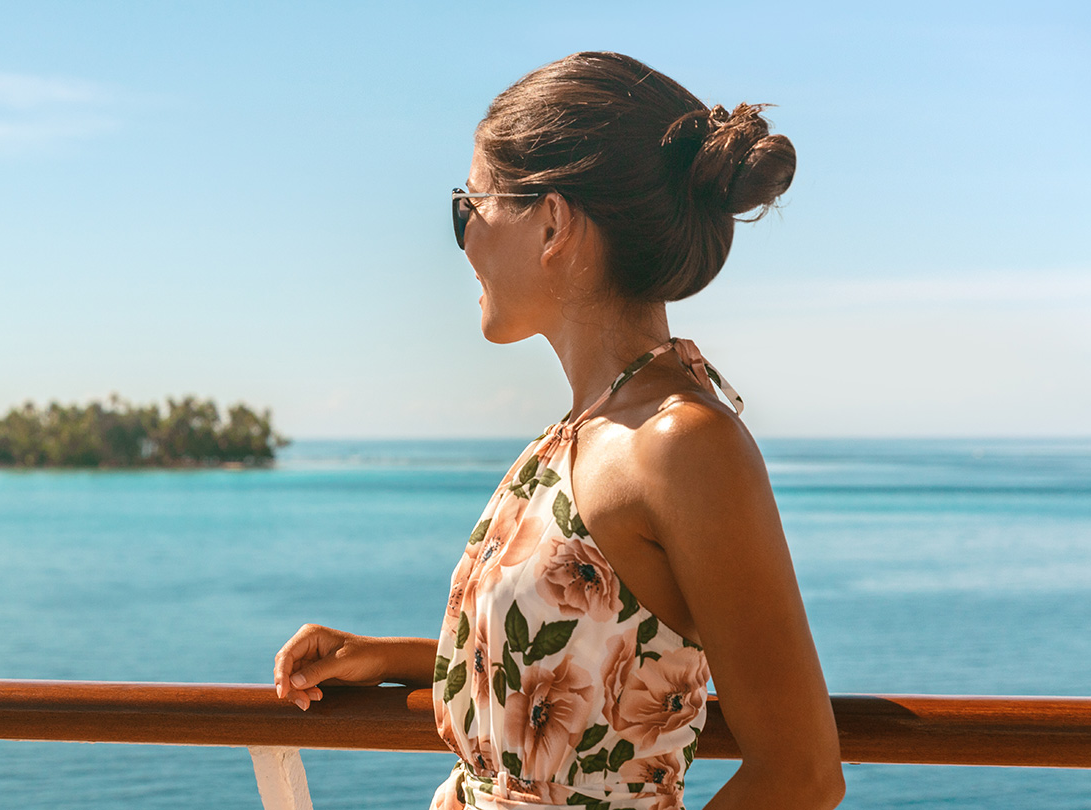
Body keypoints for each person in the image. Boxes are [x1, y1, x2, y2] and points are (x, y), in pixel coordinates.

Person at [272, 52, 844, 809]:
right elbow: (594, 655)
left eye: (469, 204)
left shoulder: (681, 445)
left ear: (552, 221)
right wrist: (398, 659)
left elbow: (800, 773)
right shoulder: (578, 432)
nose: (465, 239)